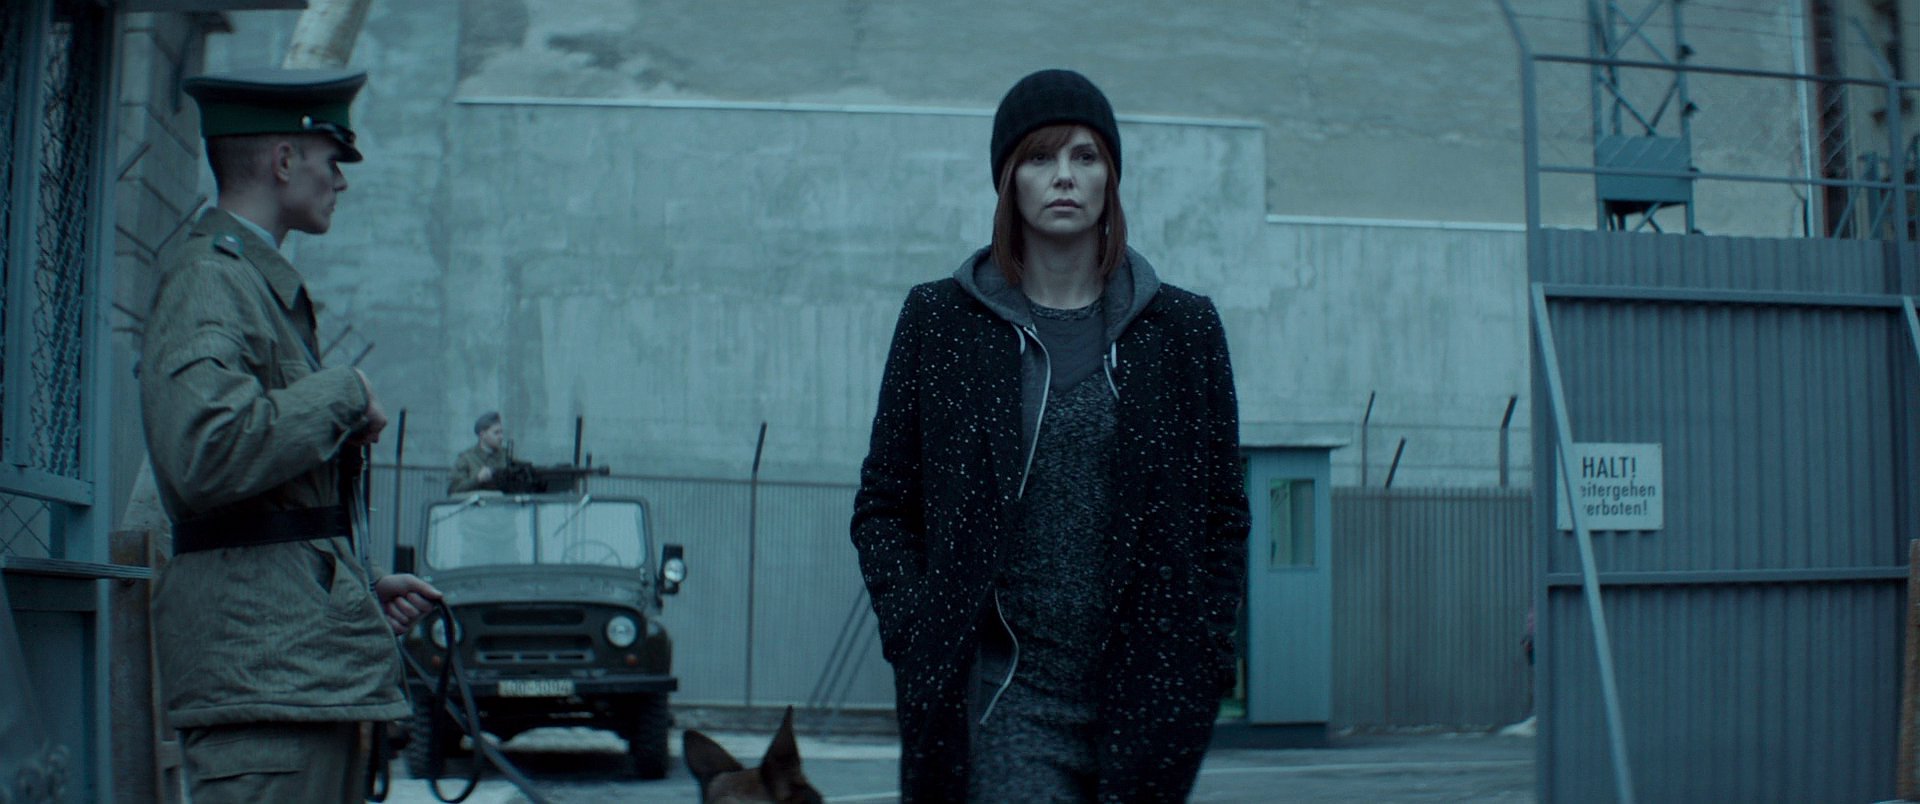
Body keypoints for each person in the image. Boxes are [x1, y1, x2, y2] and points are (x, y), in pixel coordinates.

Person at [850, 69, 1251, 803]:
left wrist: (1203, 659)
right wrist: (917, 634)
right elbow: (884, 505)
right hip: (1004, 696)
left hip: (1145, 698)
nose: (1064, 176)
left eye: (1084, 156)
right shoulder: (942, 322)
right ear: (1009, 180)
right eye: (1040, 157)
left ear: (1110, 178)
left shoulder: (1183, 331)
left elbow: (1223, 515)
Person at [140, 68, 441, 803]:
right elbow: (206, 452)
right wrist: (344, 391)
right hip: (266, 689)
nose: (341, 180)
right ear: (283, 160)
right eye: (332, 160)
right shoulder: (211, 280)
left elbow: (271, 505)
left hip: (290, 678)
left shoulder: (247, 283)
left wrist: (354, 588)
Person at [448, 410, 513, 493]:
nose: (501, 437)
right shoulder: (466, 458)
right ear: (482, 435)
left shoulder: (507, 455)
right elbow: (453, 489)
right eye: (496, 433)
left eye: (501, 432)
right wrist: (477, 479)